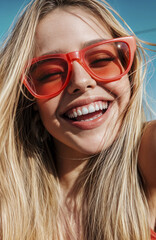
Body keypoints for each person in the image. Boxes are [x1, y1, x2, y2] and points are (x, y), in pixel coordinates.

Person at [0, 0, 155, 239]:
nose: (81, 81)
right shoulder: (7, 206)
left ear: (129, 71)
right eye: (50, 73)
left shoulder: (148, 158)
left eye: (101, 60)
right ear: (29, 99)